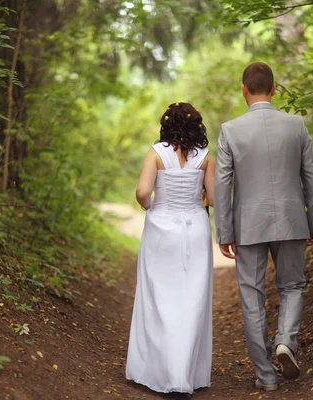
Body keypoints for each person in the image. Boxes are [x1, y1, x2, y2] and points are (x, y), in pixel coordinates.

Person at [214, 62, 313, 391]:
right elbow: (311, 178)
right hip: (292, 219)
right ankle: (285, 342)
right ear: (274, 89)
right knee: (292, 287)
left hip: (249, 226)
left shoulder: (230, 130)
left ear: (243, 89)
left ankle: (266, 376)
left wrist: (224, 231)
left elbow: (222, 185)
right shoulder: (296, 126)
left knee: (252, 296)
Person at [126, 102, 216, 394]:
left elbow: (142, 192)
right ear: (196, 125)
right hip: (195, 229)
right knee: (192, 299)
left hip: (162, 229)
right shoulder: (205, 157)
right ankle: (185, 374)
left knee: (158, 298)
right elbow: (213, 199)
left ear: (167, 124)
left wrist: (152, 206)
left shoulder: (156, 152)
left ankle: (161, 371)